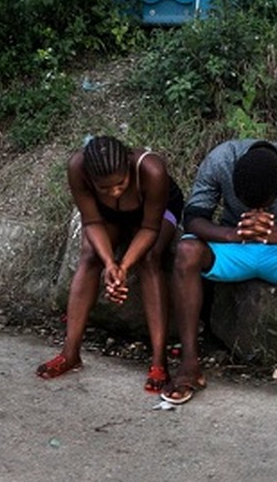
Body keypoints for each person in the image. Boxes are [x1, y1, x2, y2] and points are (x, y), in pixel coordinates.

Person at [162, 139, 277, 418]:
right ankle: (189, 363)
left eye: (265, 205)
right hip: (233, 246)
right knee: (187, 250)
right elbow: (194, 218)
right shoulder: (221, 159)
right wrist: (233, 234)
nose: (258, 212)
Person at [36, 135, 184, 393]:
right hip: (110, 216)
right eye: (104, 188)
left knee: (150, 259)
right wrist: (109, 264)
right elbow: (91, 221)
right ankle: (70, 353)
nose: (114, 191)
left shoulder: (151, 170)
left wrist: (123, 266)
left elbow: (149, 228)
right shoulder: (77, 168)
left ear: (128, 166)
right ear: (91, 179)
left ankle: (159, 363)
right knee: (89, 255)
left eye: (121, 184)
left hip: (156, 213)